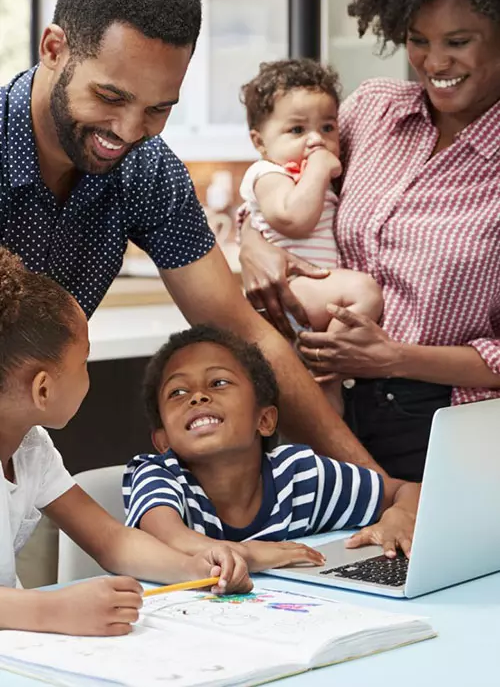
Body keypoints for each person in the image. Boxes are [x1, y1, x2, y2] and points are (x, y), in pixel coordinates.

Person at [0, 0, 393, 490]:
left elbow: (243, 330)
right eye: (110, 96)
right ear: (53, 49)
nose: (130, 130)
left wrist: (378, 486)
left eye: (159, 108)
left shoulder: (146, 170)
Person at [239, 0, 500, 482]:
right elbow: (290, 189)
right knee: (321, 562)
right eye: (417, 38)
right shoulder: (372, 111)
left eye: (458, 41)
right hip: (318, 393)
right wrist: (252, 242)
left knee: (416, 564)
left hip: (434, 418)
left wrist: (392, 356)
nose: (433, 61)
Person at [0, 248, 252, 636]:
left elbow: (111, 539)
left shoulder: (31, 449)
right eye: (84, 361)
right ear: (43, 390)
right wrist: (50, 610)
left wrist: (195, 567)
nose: (89, 373)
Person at [123, 324, 420, 567]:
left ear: (264, 419)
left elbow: (409, 491)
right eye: (178, 391)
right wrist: (248, 554)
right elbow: (170, 539)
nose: (197, 397)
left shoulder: (300, 476)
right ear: (163, 441)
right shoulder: (158, 475)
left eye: (218, 383)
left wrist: (399, 515)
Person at [239, 58, 383, 412]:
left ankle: (323, 455)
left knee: (324, 408)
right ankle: (327, 356)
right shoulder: (268, 173)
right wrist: (320, 168)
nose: (316, 139)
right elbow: (292, 219)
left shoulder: (309, 178)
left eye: (328, 127)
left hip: (311, 293)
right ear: (260, 141)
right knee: (364, 291)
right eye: (297, 130)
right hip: (289, 287)